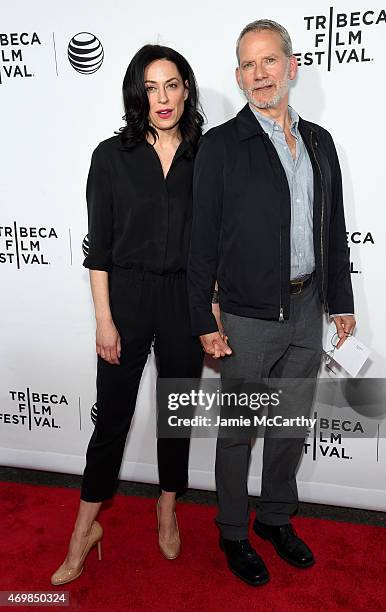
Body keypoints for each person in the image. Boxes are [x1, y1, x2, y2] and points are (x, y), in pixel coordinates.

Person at [187, 19, 355, 586]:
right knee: (238, 433)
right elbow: (200, 241)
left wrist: (342, 302)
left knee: (289, 427)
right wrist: (203, 317)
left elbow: (333, 228)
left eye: (270, 61)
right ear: (238, 77)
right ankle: (234, 530)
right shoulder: (220, 146)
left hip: (308, 311)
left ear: (292, 65)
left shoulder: (321, 142)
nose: (261, 75)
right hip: (246, 317)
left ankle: (276, 518)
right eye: (249, 65)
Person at [51, 44, 204, 586]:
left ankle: (166, 505)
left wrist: (209, 310)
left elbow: (212, 245)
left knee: (177, 411)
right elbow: (101, 249)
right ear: (137, 93)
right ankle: (83, 531)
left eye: (172, 85)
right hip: (128, 298)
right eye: (151, 87)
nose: (162, 98)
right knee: (111, 418)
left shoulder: (205, 155)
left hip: (185, 300)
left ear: (187, 89)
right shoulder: (111, 156)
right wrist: (104, 319)